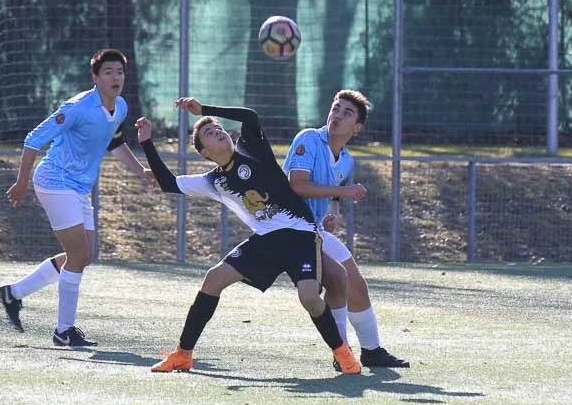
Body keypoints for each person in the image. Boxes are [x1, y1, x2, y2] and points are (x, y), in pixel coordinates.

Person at [136, 97, 361, 375]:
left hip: (300, 233)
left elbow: (250, 116)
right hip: (266, 239)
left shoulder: (252, 150)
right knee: (213, 279)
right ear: (205, 153)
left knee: (309, 297)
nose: (217, 131)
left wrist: (204, 110)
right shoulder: (213, 181)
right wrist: (146, 142)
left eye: (219, 128)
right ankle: (182, 354)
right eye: (209, 133)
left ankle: (343, 354)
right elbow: (168, 183)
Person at [0, 49, 153, 347]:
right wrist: (21, 182)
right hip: (54, 181)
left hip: (79, 188)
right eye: (108, 72)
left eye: (119, 72)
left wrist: (141, 171)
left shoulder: (120, 107)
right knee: (78, 255)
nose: (115, 77)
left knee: (84, 256)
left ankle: (13, 293)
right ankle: (64, 330)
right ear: (95, 77)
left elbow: (115, 143)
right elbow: (33, 139)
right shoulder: (77, 107)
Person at [282, 90, 409, 369]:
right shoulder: (308, 139)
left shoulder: (347, 159)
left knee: (356, 284)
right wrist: (343, 192)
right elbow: (297, 186)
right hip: (287, 229)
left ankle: (372, 351)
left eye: (347, 113)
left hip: (313, 230)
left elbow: (334, 194)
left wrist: (334, 213)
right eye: (335, 108)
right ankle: (343, 353)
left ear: (357, 128)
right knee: (338, 279)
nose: (337, 115)